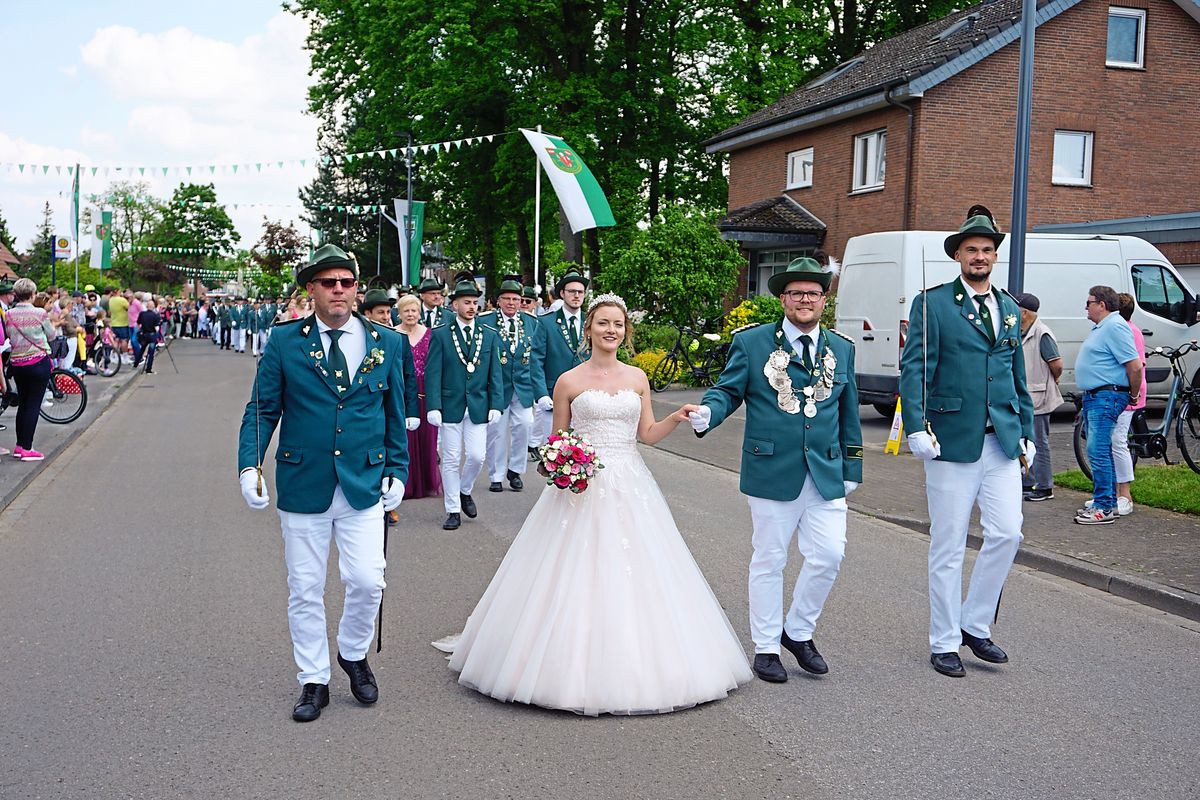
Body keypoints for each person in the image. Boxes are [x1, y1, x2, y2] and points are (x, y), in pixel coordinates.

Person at [435, 293, 752, 714]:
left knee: (642, 570)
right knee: (565, 569)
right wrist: (563, 464)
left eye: (618, 324)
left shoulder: (638, 378)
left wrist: (675, 419)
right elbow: (556, 442)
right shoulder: (568, 380)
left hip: (630, 481)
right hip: (579, 486)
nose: (611, 331)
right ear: (589, 329)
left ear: (626, 331)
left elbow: (647, 434)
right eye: (603, 323)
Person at [237, 244, 408, 723]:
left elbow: (394, 412)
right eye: (328, 282)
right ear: (310, 289)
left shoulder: (386, 342)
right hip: (303, 482)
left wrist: (397, 468)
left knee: (367, 580)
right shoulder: (286, 342)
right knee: (306, 587)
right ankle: (313, 679)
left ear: (356, 289)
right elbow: (262, 409)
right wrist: (249, 465)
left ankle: (353, 653)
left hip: (363, 483)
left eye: (347, 282)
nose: (339, 290)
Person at [689, 257, 862, 683]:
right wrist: (708, 414)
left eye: (813, 293)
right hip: (771, 469)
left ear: (825, 299)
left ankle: (798, 632)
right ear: (783, 299)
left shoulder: (842, 348)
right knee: (769, 559)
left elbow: (849, 411)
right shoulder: (752, 344)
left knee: (829, 555)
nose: (805, 300)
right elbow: (727, 391)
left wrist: (853, 462)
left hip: (825, 471)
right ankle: (766, 646)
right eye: (796, 293)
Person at [898, 211, 1035, 678]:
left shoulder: (1011, 309)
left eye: (988, 250)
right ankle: (943, 641)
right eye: (972, 249)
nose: (980, 257)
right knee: (949, 544)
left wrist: (1027, 434)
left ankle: (975, 625)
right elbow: (915, 367)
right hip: (950, 441)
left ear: (996, 256)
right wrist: (916, 424)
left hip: (1001, 442)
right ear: (958, 254)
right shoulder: (932, 303)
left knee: (1008, 533)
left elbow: (1018, 377)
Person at [423, 278, 504, 530]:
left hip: (478, 405)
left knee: (478, 456)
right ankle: (452, 510)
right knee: (450, 457)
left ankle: (464, 489)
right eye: (466, 302)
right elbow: (432, 372)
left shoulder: (489, 335)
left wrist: (496, 404)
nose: (471, 307)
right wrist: (433, 405)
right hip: (450, 405)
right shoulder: (441, 334)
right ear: (454, 304)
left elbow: (495, 373)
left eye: (475, 303)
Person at [1073, 285, 1143, 525]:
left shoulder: (1115, 326)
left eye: (1089, 302)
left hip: (1107, 395)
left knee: (1098, 450)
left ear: (1102, 304)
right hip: (1098, 395)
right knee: (1099, 449)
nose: (1086, 306)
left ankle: (1104, 506)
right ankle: (1107, 500)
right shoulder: (1104, 327)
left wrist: (1132, 395)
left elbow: (1134, 365)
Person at [479, 278, 537, 493]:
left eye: (516, 299)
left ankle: (515, 470)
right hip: (497, 386)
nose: (512, 303)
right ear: (498, 301)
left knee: (525, 424)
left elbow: (536, 356)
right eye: (507, 299)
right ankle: (496, 475)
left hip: (522, 385)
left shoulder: (531, 322)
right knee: (497, 431)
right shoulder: (486, 321)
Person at [529, 270, 589, 456]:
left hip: (586, 395)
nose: (576, 295)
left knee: (584, 453)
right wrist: (541, 394)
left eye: (580, 292)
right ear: (562, 294)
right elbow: (536, 360)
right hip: (553, 395)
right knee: (557, 453)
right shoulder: (546, 323)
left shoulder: (591, 322)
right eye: (571, 291)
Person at [1016, 293, 1063, 502]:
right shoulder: (1024, 331)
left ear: (1024, 313)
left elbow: (1057, 364)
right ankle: (1028, 481)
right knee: (1026, 441)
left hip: (1039, 396)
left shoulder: (1042, 333)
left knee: (1039, 442)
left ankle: (1045, 486)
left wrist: (1052, 380)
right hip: (1027, 395)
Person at [394, 293, 442, 500]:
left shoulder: (429, 334)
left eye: (414, 310)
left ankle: (426, 482)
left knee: (427, 438)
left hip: (425, 392)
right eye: (406, 311)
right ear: (399, 314)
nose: (411, 314)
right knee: (404, 439)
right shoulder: (394, 335)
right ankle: (406, 484)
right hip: (402, 392)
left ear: (419, 312)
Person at [5, 278, 56, 461]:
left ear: (16, 294)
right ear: (33, 294)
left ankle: (20, 445)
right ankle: (27, 448)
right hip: (37, 361)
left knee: (24, 404)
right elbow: (51, 335)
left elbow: (9, 334)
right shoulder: (40, 313)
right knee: (33, 404)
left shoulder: (9, 314)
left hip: (17, 363)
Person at [1111, 293, 1145, 516]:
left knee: (1118, 441)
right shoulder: (1119, 330)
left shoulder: (1129, 332)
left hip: (1127, 394)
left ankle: (1125, 494)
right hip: (1117, 393)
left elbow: (1136, 366)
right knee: (1110, 442)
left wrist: (1132, 394)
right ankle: (1114, 493)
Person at [134, 300, 162, 374]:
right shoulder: (155, 315)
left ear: (147, 306)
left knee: (142, 349)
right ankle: (148, 368)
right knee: (151, 352)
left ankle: (136, 363)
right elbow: (157, 328)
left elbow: (138, 324)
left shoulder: (142, 314)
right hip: (152, 335)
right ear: (153, 306)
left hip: (144, 334)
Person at [108, 288, 131, 363]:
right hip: (122, 323)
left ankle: (114, 355)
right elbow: (129, 308)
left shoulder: (111, 300)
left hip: (114, 323)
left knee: (116, 340)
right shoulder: (122, 300)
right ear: (118, 292)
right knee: (124, 340)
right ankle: (125, 356)